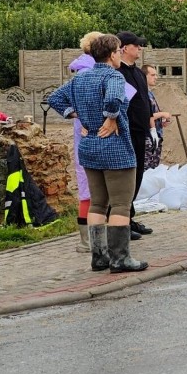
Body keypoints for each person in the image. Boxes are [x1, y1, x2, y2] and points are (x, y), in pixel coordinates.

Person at [48, 34, 148, 273]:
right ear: (113, 54)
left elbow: (54, 98)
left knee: (97, 204)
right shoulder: (113, 75)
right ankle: (120, 259)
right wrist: (111, 117)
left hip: (89, 146)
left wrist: (76, 115)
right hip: (115, 147)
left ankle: (99, 257)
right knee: (121, 205)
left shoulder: (80, 78)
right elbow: (114, 99)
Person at [65, 31, 103, 254]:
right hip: (92, 135)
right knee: (91, 187)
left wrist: (73, 114)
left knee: (88, 185)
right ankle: (89, 240)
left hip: (85, 134)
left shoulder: (81, 72)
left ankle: (90, 240)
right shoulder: (91, 74)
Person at [115, 31, 153, 239]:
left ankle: (129, 216)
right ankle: (121, 221)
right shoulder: (118, 73)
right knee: (125, 177)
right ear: (124, 48)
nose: (139, 48)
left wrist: (151, 118)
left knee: (137, 175)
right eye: (136, 45)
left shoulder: (138, 73)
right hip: (125, 131)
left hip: (140, 130)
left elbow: (143, 100)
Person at [142, 65, 171, 169]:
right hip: (149, 137)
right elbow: (145, 115)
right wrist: (162, 114)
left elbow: (152, 113)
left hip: (157, 134)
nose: (156, 77)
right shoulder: (142, 94)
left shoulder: (150, 93)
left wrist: (161, 120)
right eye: (153, 75)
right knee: (147, 169)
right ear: (144, 76)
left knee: (154, 168)